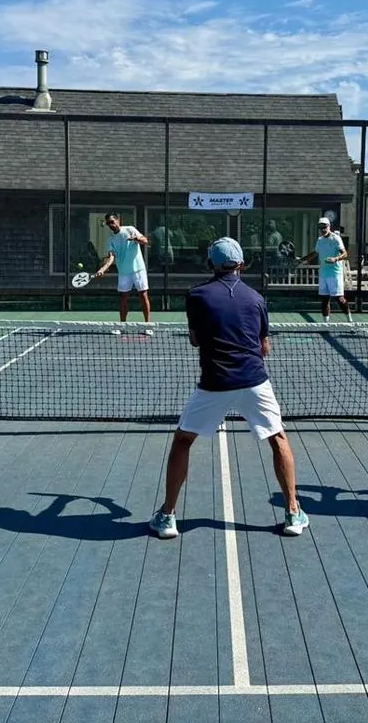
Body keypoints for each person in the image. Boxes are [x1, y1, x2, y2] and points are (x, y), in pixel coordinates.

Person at [149, 237, 309, 539]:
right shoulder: (257, 299)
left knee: (182, 441)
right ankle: (293, 512)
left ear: (211, 264)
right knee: (278, 438)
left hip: (214, 383)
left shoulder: (196, 296)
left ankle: (167, 516)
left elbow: (195, 339)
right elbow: (264, 348)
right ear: (242, 265)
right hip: (254, 382)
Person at [94, 213, 151, 329]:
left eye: (112, 221)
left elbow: (145, 241)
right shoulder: (110, 240)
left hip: (138, 269)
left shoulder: (130, 229)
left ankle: (148, 326)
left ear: (118, 220)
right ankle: (122, 326)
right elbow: (111, 257)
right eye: (108, 223)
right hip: (124, 272)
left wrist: (136, 238)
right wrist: (103, 269)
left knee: (143, 296)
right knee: (123, 298)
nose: (111, 225)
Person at [303, 217, 352, 323]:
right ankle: (326, 324)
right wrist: (305, 259)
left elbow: (345, 253)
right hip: (323, 274)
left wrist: (336, 259)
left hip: (335, 274)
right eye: (321, 227)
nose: (323, 229)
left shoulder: (336, 238)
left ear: (329, 226)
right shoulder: (320, 240)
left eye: (325, 227)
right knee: (325, 300)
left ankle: (350, 321)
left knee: (340, 299)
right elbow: (315, 253)